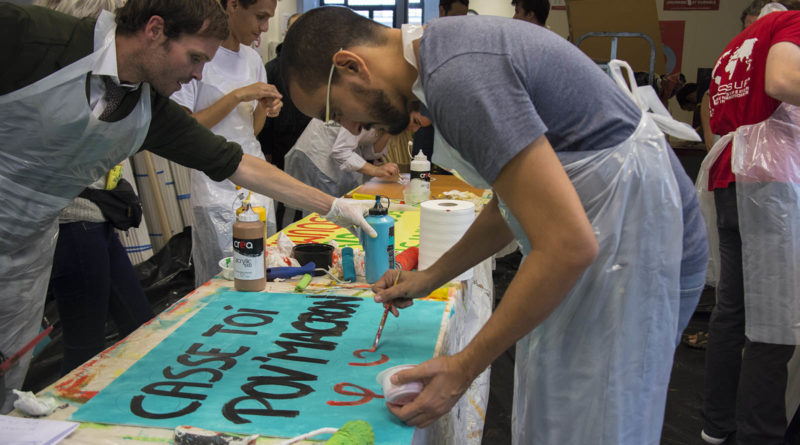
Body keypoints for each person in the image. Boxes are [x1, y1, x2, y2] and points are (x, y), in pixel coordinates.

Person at [281, 7, 707, 444]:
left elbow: (566, 247)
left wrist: (463, 368)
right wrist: (429, 277)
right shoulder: (444, 57)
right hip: (612, 236)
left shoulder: (458, 75)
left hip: (632, 246)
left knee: (596, 423)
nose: (351, 127)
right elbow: (512, 205)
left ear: (351, 65)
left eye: (335, 112)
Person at [0, 0, 372, 413]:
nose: (198, 74)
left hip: (26, 248)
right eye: (195, 58)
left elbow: (237, 163)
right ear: (155, 29)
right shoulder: (30, 34)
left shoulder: (147, 109)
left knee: (8, 365)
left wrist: (333, 206)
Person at [32, 0, 156, 378]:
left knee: (141, 326)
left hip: (91, 216)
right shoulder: (61, 82)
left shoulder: (105, 84)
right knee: (86, 347)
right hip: (72, 221)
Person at [698, 3, 800, 444]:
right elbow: (781, 82)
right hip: (769, 183)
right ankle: (762, 434)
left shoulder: (739, 43)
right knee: (774, 320)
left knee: (732, 311)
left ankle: (716, 426)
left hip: (731, 178)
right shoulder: (792, 24)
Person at [171, 0, 280, 287]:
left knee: (261, 271)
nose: (264, 28)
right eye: (260, 17)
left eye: (268, 19)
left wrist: (263, 108)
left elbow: (250, 131)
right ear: (232, 5)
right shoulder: (199, 55)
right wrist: (237, 96)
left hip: (253, 177)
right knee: (222, 279)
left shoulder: (252, 59)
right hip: (213, 182)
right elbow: (182, 129)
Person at [282, 119, 398, 225]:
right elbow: (341, 151)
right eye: (415, 122)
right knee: (321, 215)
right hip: (319, 153)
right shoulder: (365, 108)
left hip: (338, 155)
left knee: (341, 211)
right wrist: (375, 170)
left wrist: (390, 131)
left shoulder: (391, 120)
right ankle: (318, 245)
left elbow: (369, 152)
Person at [258, 12, 310, 229]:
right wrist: (267, 149)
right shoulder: (271, 68)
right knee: (285, 203)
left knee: (306, 201)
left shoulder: (312, 69)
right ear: (287, 34)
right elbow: (263, 110)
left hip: (309, 149)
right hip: (281, 146)